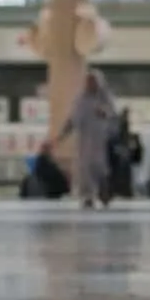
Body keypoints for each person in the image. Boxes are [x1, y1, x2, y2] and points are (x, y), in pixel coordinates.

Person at [57, 68, 118, 209]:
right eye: (88, 81)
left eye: (93, 81)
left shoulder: (106, 99)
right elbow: (72, 119)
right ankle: (87, 196)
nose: (90, 84)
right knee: (84, 169)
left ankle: (104, 192)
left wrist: (105, 113)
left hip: (102, 141)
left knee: (101, 169)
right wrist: (61, 135)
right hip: (84, 143)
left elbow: (114, 117)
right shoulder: (80, 100)